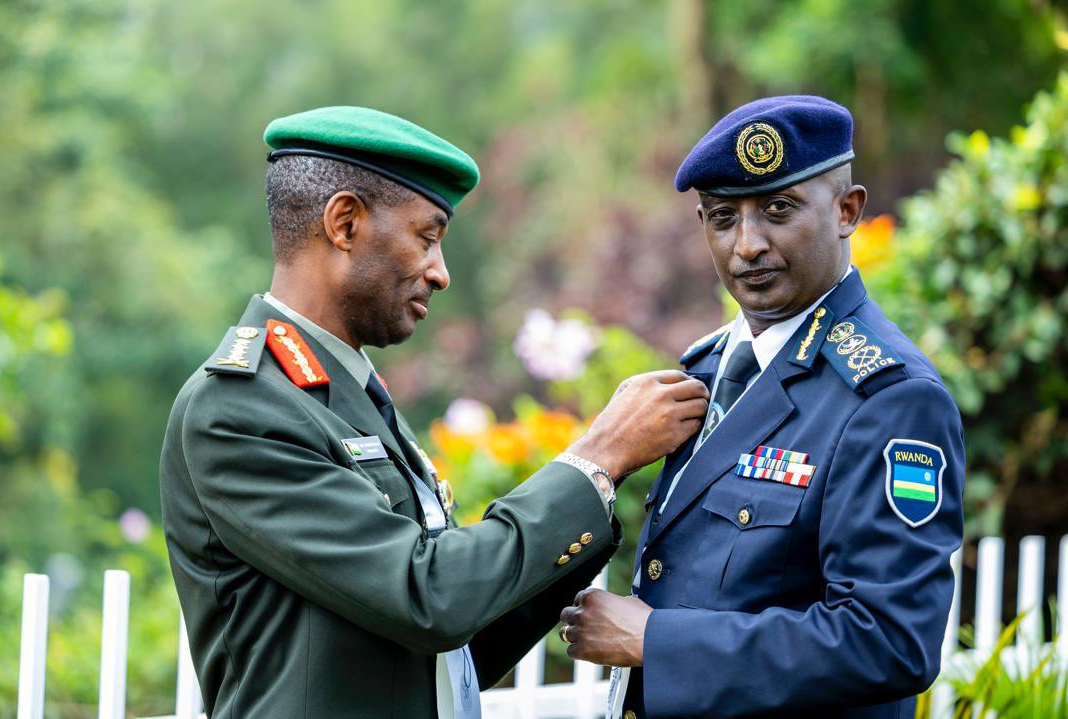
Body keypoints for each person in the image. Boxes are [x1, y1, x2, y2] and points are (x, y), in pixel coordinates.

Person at [159, 106, 712, 719]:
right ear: (345, 223)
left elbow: (452, 648)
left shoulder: (345, 399)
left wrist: (603, 486)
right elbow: (431, 597)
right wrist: (596, 457)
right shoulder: (241, 406)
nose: (440, 273)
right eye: (427, 237)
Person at [559, 96, 965, 718]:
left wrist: (653, 641)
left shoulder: (890, 398)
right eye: (722, 217)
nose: (748, 245)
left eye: (778, 209)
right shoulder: (705, 368)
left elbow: (893, 641)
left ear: (846, 212)